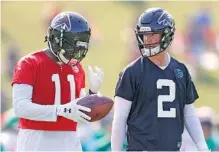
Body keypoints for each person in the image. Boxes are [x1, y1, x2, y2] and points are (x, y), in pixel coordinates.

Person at [111, 8, 208, 151]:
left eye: (153, 34)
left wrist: (202, 146)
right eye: (144, 35)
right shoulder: (132, 72)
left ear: (167, 34)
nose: (147, 39)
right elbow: (119, 119)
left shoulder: (180, 70)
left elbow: (189, 114)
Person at [12, 11, 104, 151]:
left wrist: (92, 93)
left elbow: (81, 114)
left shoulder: (77, 68)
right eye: (70, 45)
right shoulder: (30, 63)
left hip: (69, 141)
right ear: (55, 39)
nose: (75, 52)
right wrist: (60, 110)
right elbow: (20, 107)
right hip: (36, 141)